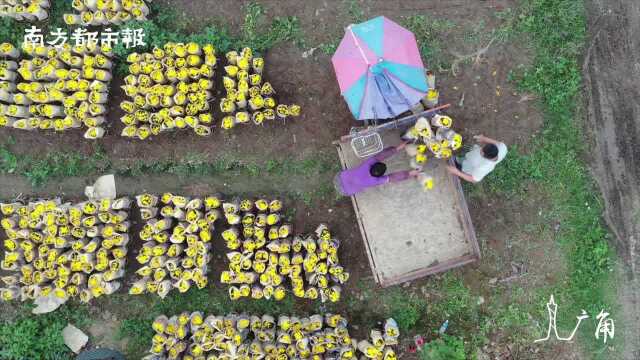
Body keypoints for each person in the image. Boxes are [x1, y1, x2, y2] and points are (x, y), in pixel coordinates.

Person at [335, 142, 420, 196]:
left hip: (346, 181)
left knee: (391, 179)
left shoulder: (374, 180)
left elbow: (392, 177)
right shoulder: (367, 165)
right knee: (391, 178)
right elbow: (382, 155)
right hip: (344, 178)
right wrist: (399, 147)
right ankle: (413, 173)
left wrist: (411, 173)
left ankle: (414, 173)